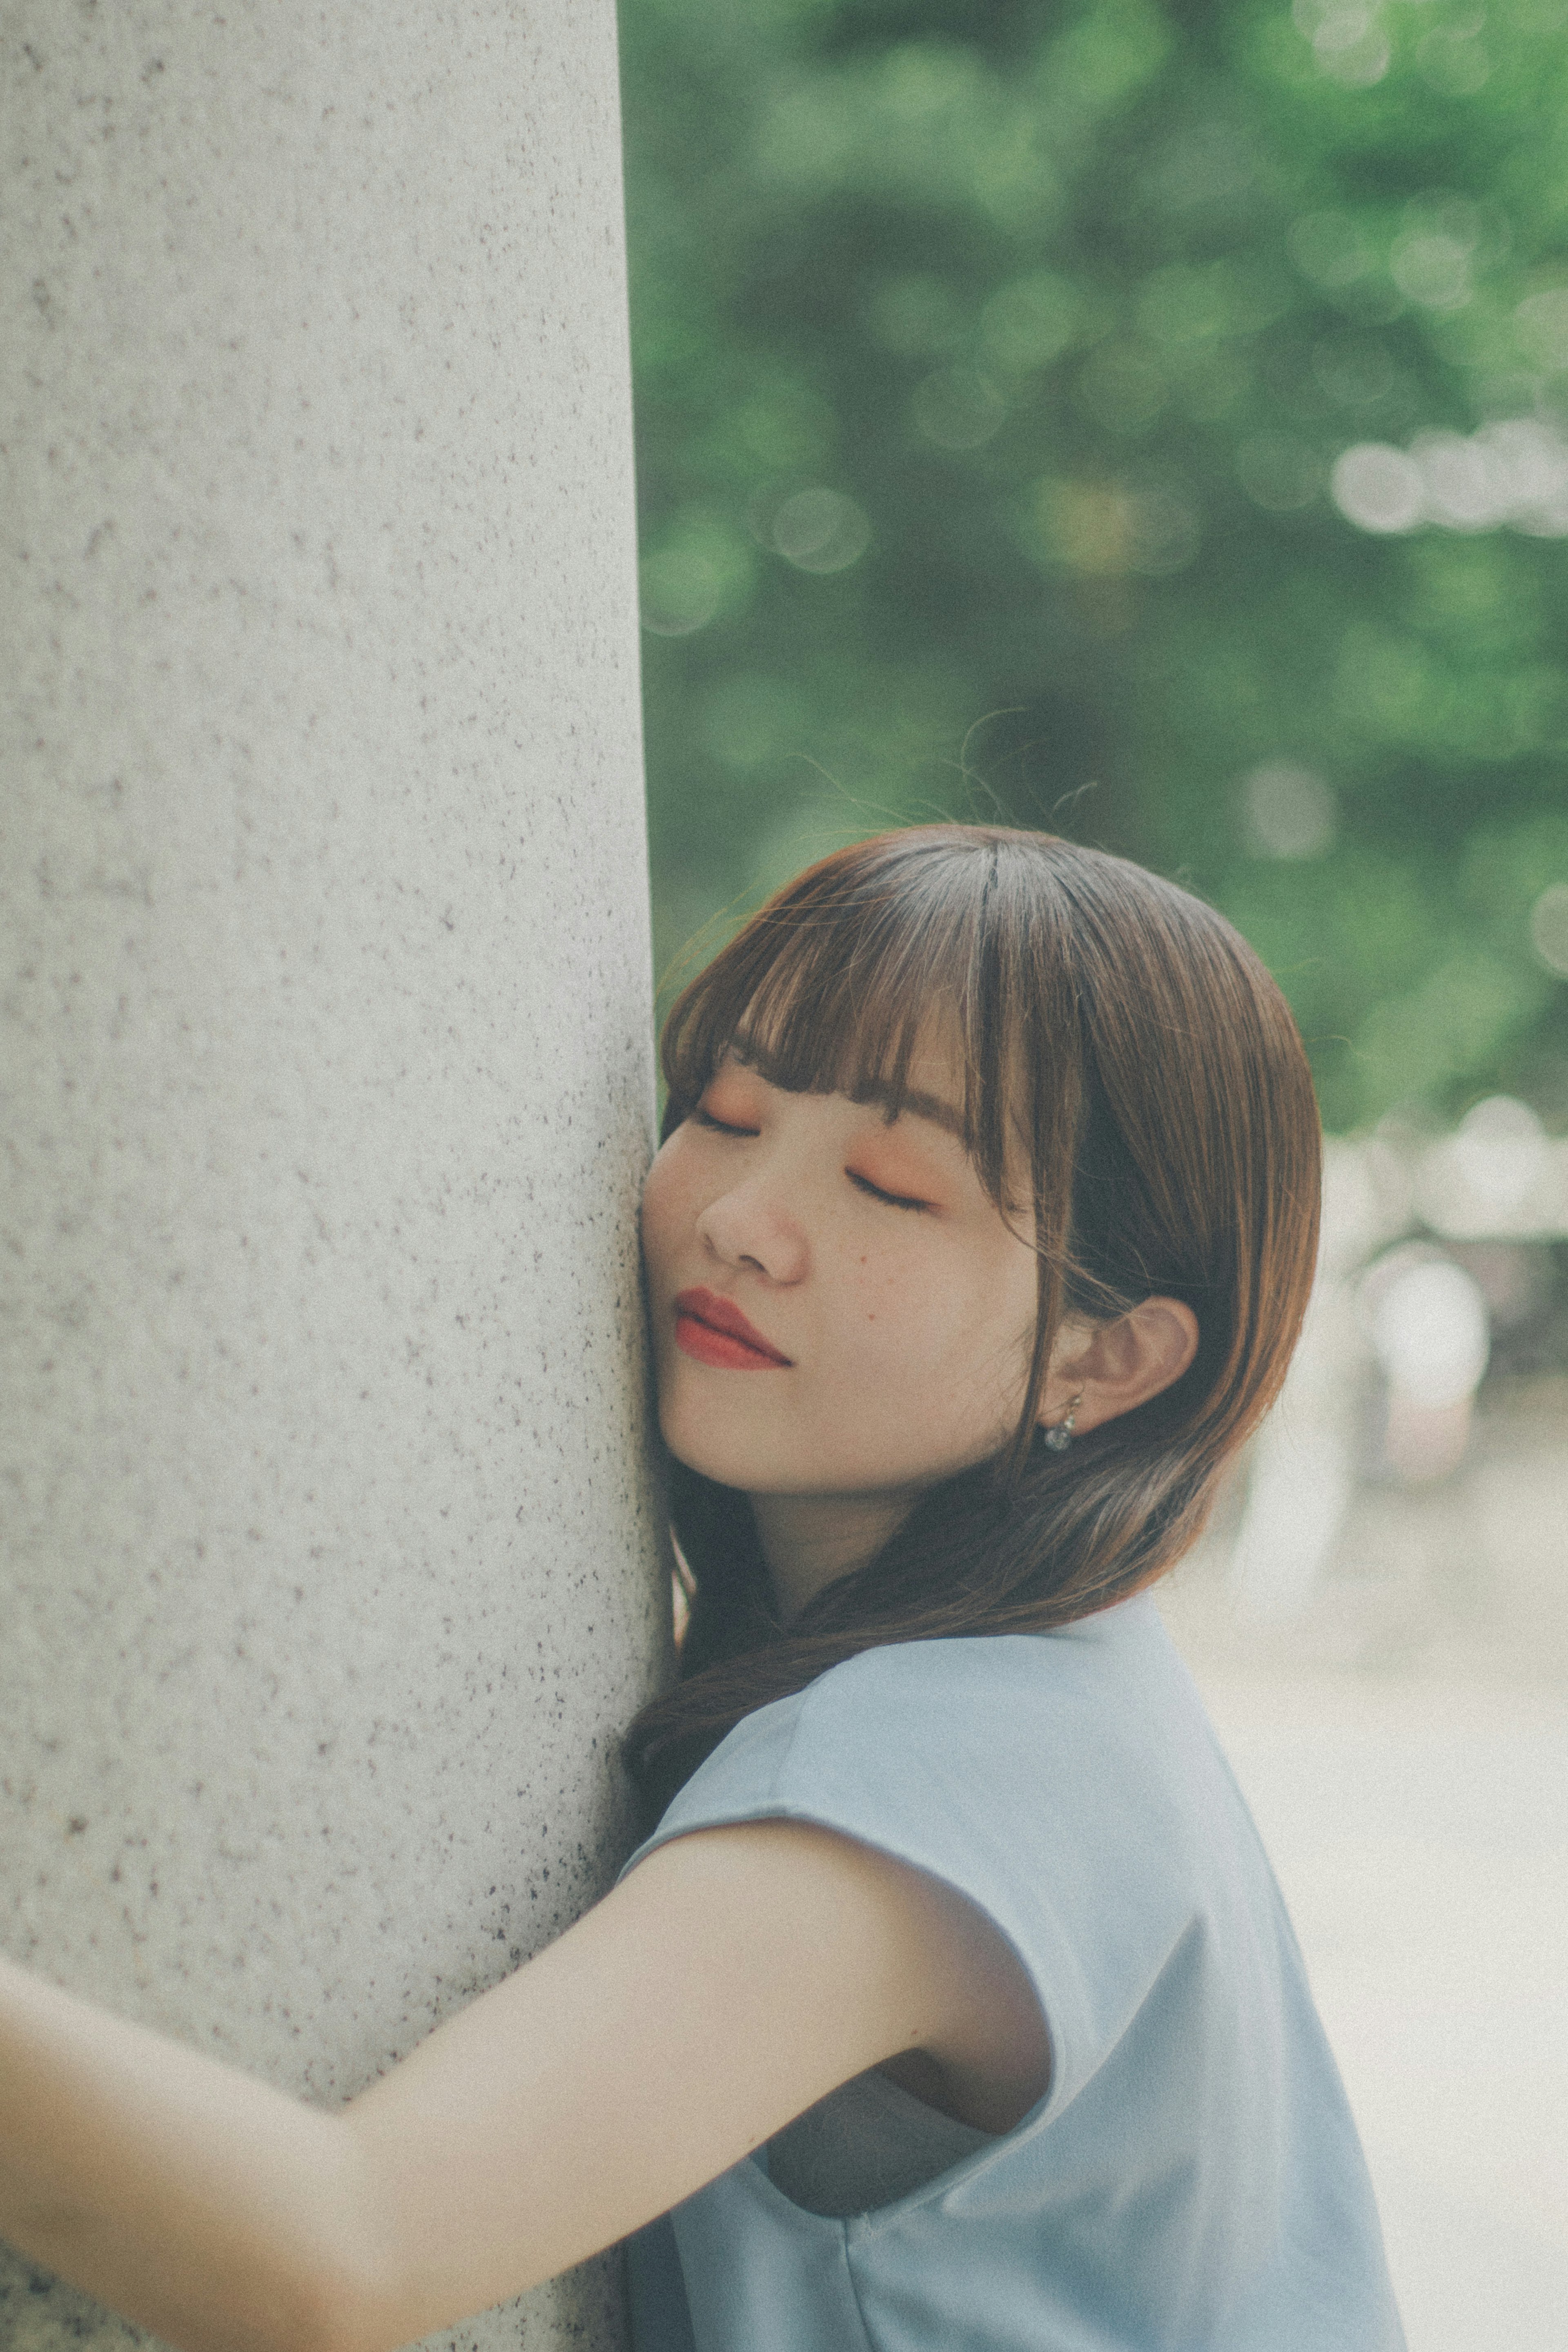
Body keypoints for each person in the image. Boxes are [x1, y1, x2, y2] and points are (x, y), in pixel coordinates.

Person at [0, 825, 1404, 2352]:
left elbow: (343, 2250)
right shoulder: (1074, 1684)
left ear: (1106, 1352)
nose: (740, 1215)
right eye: (727, 1113)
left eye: (888, 1183)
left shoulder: (936, 1773)